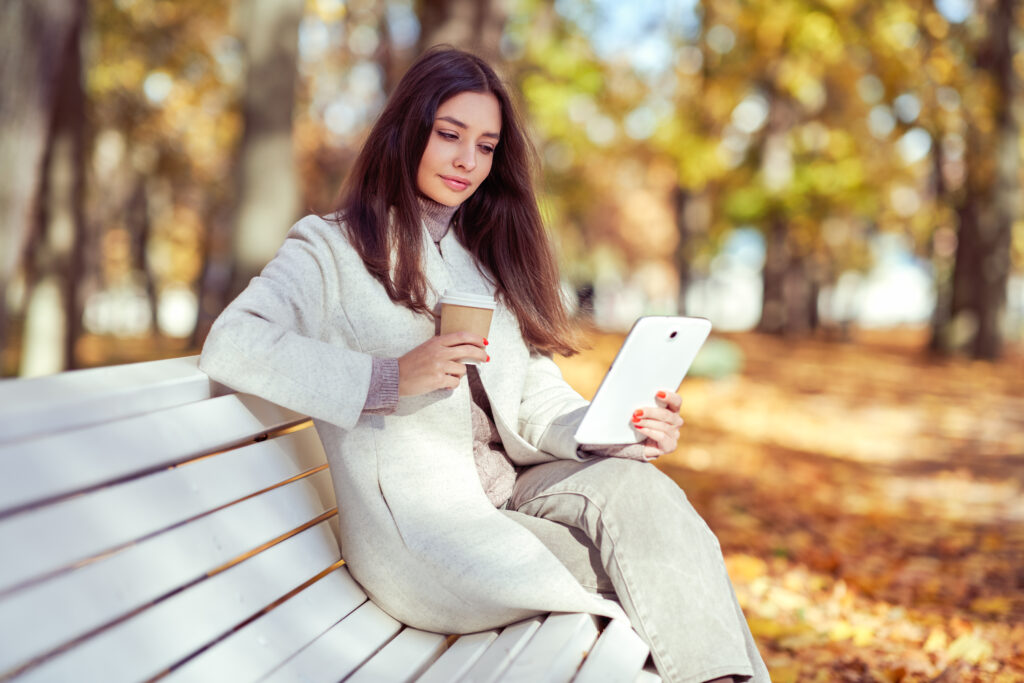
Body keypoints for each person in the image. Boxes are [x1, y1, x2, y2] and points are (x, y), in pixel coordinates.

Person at [200, 46, 769, 683]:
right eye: (449, 135)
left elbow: (532, 394)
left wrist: (613, 429)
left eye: (487, 145)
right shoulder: (330, 249)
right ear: (407, 132)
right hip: (428, 538)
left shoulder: (482, 258)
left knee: (648, 499)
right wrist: (387, 378)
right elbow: (235, 342)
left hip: (513, 494)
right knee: (662, 563)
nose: (468, 160)